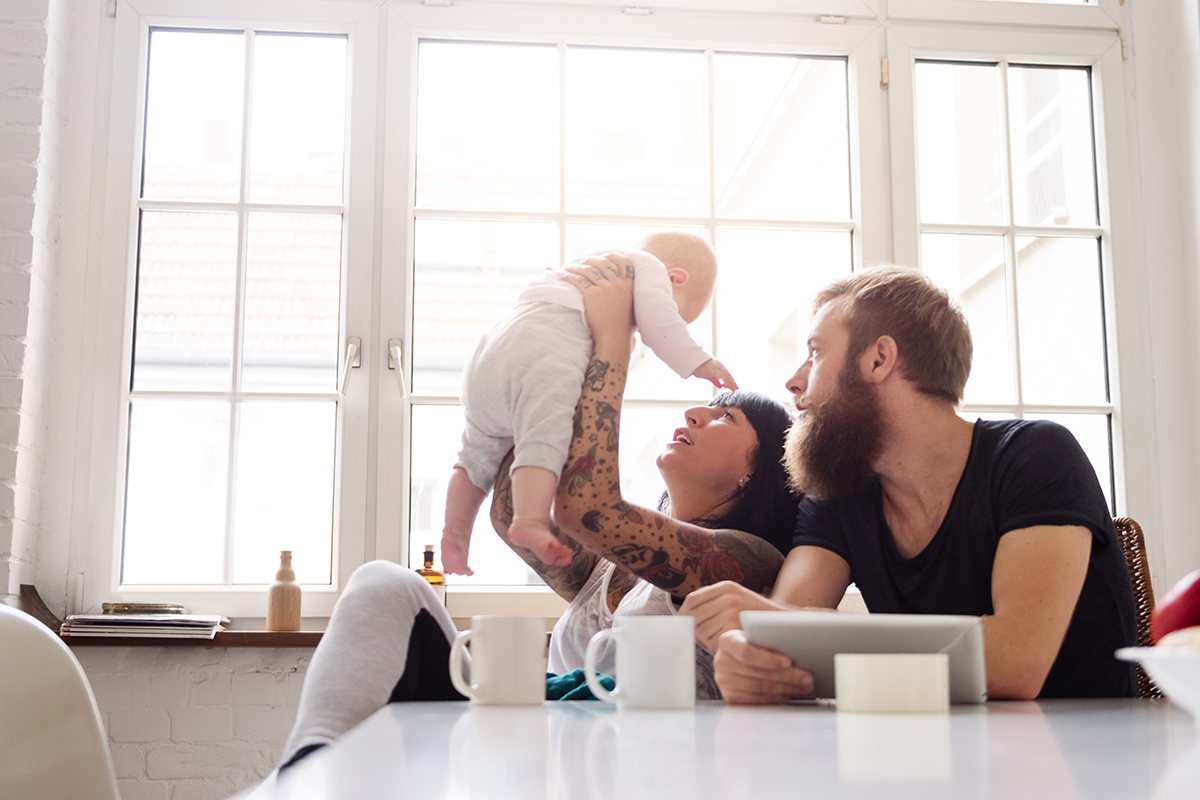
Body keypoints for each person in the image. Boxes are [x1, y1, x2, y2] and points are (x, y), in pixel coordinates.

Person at [278, 253, 798, 769]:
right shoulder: (611, 569)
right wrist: (546, 350)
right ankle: (307, 772)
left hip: (639, 770)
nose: (695, 410)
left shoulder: (751, 560)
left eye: (725, 415)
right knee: (383, 583)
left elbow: (587, 509)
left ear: (757, 471)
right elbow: (509, 515)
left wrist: (613, 340)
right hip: (546, 750)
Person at [679, 265, 1138, 702]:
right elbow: (782, 634)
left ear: (879, 359)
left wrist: (786, 630)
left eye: (816, 352)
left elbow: (1015, 663)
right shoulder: (840, 493)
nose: (794, 381)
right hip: (931, 754)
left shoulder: (1036, 454)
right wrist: (750, 661)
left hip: (1084, 760)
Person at [441, 231, 738, 576]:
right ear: (675, 278)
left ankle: (455, 533)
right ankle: (530, 519)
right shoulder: (647, 269)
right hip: (540, 354)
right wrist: (701, 363)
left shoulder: (592, 266)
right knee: (546, 435)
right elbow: (663, 329)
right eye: (682, 315)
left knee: (475, 455)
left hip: (488, 357)